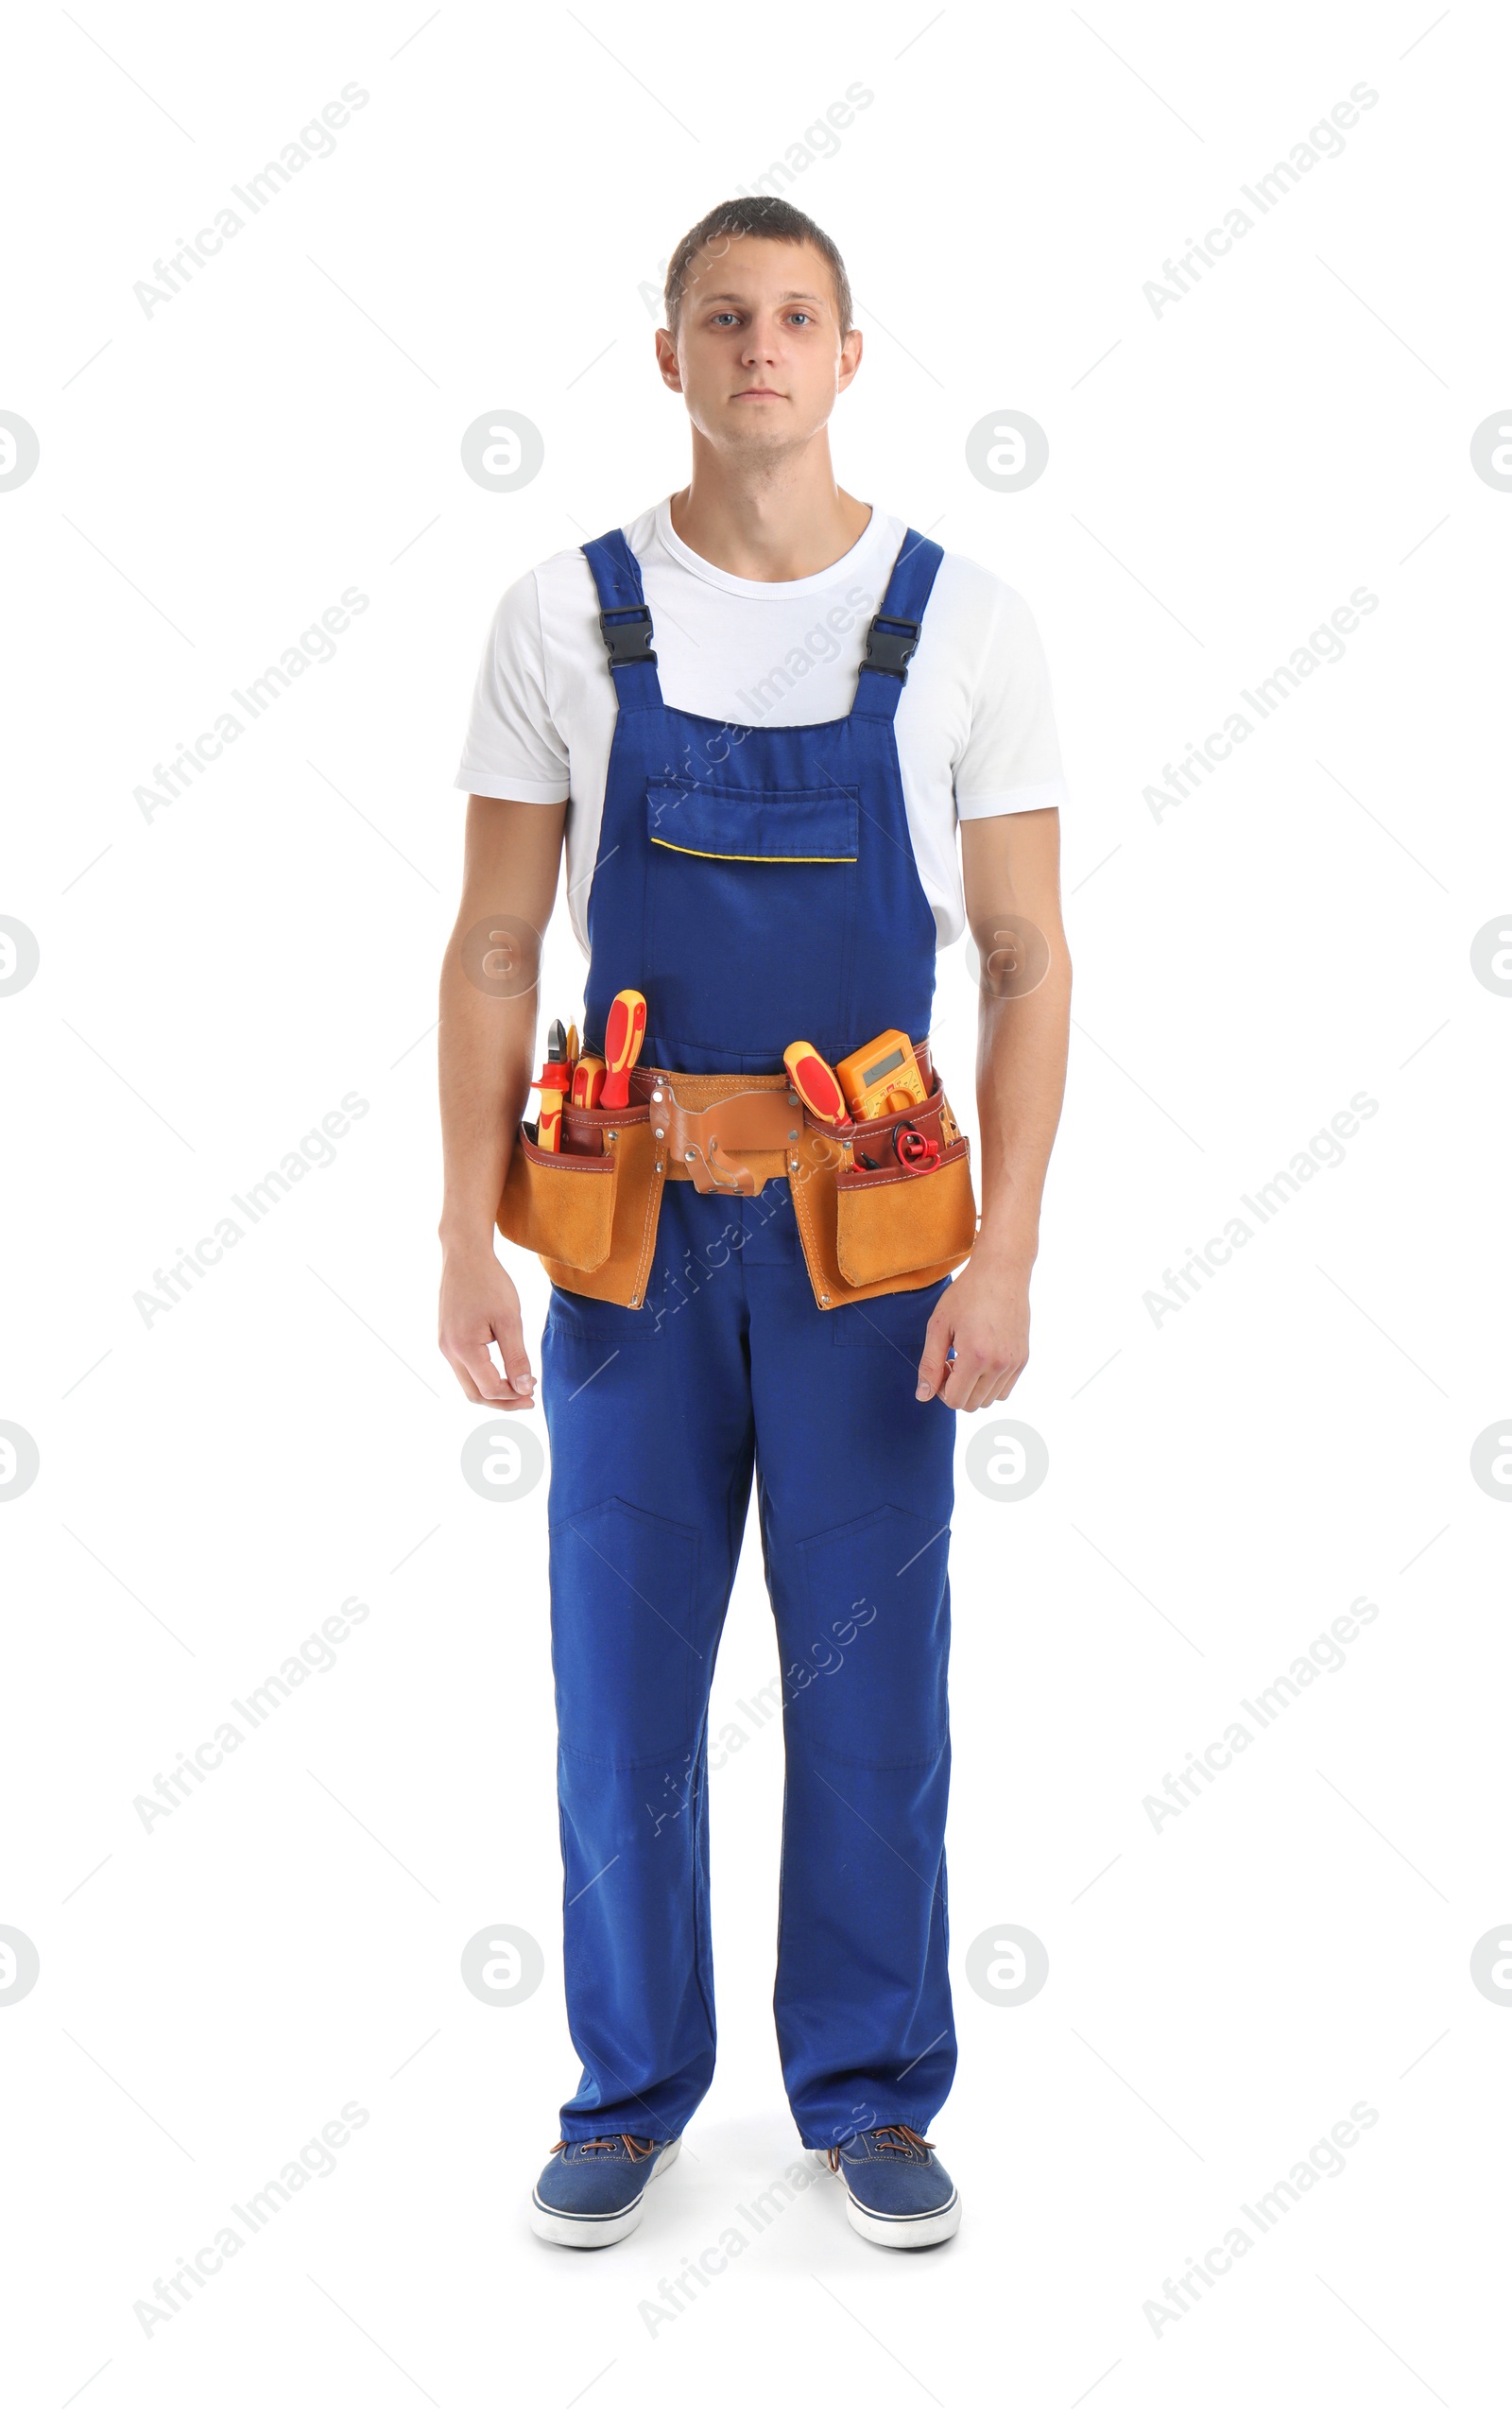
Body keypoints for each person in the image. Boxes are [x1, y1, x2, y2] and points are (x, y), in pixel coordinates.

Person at [438, 197, 1071, 2251]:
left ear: (849, 352)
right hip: (624, 1241)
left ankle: (871, 2089)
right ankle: (624, 2091)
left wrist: (1011, 1249)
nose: (760, 346)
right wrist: (463, 1229)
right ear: (670, 357)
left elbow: (1024, 952)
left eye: (796, 315)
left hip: (870, 1251)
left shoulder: (960, 618)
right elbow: (492, 941)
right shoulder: (564, 609)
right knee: (618, 1677)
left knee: (871, 1685)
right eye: (724, 315)